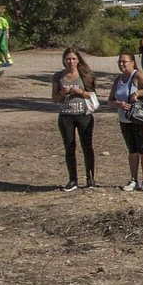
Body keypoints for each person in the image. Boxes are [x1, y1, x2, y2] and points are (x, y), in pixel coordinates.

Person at [111, 51, 143, 191]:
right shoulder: (118, 80)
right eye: (119, 62)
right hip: (124, 119)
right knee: (132, 149)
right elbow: (110, 100)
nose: (121, 64)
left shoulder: (138, 76)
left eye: (124, 61)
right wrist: (118, 104)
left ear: (132, 62)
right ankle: (133, 180)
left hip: (140, 118)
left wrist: (137, 93)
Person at [53, 45, 98, 191]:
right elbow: (54, 99)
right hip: (66, 116)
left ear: (78, 60)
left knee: (87, 146)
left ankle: (90, 178)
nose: (71, 62)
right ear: (64, 61)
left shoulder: (85, 75)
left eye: (73, 59)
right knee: (70, 147)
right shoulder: (58, 76)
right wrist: (62, 94)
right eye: (68, 59)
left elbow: (92, 95)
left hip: (84, 115)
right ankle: (73, 179)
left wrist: (80, 92)